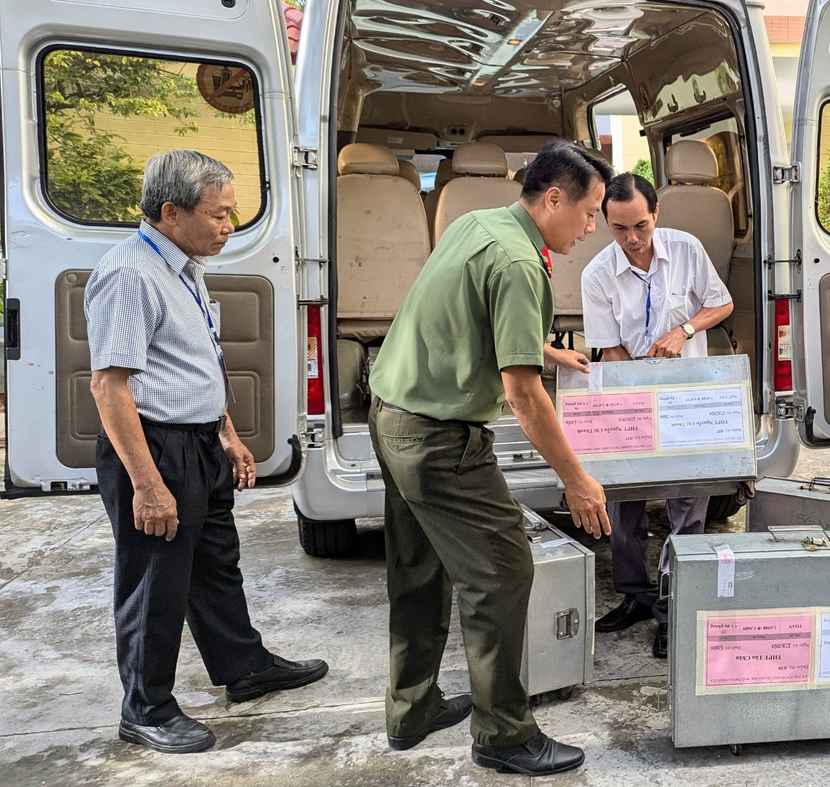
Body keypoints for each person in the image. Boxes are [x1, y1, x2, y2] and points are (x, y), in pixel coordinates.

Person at [368, 139, 613, 777]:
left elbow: (473, 316)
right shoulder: (520, 263)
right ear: (553, 198)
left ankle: (412, 707)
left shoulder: (478, 223)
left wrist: (546, 351)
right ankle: (503, 733)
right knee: (502, 571)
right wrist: (577, 480)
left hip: (392, 415)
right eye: (588, 214)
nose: (590, 229)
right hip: (440, 442)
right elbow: (523, 396)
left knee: (420, 570)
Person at [86, 150, 328, 755]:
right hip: (155, 448)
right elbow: (109, 385)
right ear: (172, 211)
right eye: (219, 215)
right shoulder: (129, 273)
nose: (229, 226)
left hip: (197, 441)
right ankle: (146, 708)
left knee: (215, 563)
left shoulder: (184, 267)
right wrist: (145, 483)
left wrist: (225, 431)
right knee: (155, 581)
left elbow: (193, 360)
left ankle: (244, 667)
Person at [579, 173, 734, 659]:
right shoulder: (597, 274)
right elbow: (609, 347)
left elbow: (721, 304)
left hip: (688, 397)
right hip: (630, 399)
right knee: (622, 502)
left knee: (687, 504)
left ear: (656, 215)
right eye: (620, 228)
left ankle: (673, 603)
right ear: (606, 220)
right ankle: (636, 594)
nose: (632, 239)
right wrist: (640, 393)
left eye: (641, 226)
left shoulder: (686, 249)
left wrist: (684, 330)